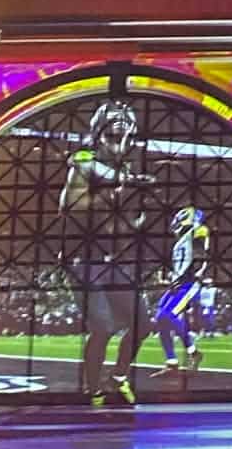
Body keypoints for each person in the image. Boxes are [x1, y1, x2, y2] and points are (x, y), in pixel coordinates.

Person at [58, 97, 153, 406]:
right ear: (98, 134)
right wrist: (122, 190)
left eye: (126, 136)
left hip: (110, 261)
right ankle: (92, 387)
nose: (121, 143)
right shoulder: (84, 161)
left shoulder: (121, 171)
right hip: (81, 260)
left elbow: (119, 226)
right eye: (113, 136)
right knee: (104, 327)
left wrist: (132, 220)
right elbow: (73, 207)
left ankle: (119, 376)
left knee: (142, 323)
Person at [154, 206, 211, 375]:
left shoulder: (197, 230)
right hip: (178, 283)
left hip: (189, 284)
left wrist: (195, 274)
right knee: (160, 318)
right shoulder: (181, 240)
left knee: (167, 315)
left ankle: (194, 352)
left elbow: (201, 255)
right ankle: (171, 361)